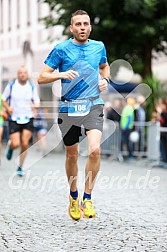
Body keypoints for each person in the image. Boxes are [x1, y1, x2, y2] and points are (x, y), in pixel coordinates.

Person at [38, 10, 110, 220]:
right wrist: (60, 74)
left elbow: (105, 67)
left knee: (95, 150)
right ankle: (73, 196)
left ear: (90, 27)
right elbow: (42, 77)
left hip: (93, 105)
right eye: (78, 24)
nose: (82, 27)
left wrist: (106, 80)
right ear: (71, 28)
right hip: (69, 108)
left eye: (85, 24)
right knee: (72, 154)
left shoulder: (99, 47)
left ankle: (87, 197)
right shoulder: (61, 49)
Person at [2, 66, 40, 176]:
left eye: (24, 73)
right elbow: (3, 99)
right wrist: (8, 108)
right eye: (20, 73)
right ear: (17, 74)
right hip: (14, 118)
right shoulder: (11, 86)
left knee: (24, 143)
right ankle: (10, 146)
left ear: (27, 74)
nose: (22, 74)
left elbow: (37, 102)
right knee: (16, 143)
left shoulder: (31, 87)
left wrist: (35, 106)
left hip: (28, 117)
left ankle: (20, 166)